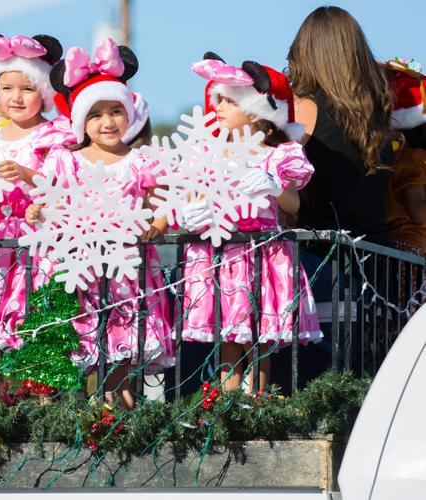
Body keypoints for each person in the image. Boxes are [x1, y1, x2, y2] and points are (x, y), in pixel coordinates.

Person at [25, 37, 172, 408]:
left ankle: (117, 416)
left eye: (115, 112)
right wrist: (37, 213)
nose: (107, 122)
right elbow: (46, 203)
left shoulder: (142, 160)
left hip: (125, 272)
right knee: (73, 345)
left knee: (118, 361)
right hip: (74, 268)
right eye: (95, 114)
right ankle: (65, 424)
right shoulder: (64, 159)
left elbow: (165, 205)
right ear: (80, 121)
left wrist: (157, 224)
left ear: (129, 114)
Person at [176, 54, 321, 393]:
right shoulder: (207, 154)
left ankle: (257, 402)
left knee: (255, 336)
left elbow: (293, 204)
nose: (219, 106)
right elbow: (189, 200)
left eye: (229, 100)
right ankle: (227, 409)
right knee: (227, 335)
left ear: (257, 110)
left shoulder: (277, 155)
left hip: (262, 254)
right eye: (218, 100)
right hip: (219, 256)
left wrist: (274, 184)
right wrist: (189, 217)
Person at [0, 32, 74, 393]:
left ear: (43, 91)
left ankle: (29, 403)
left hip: (36, 246)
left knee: (27, 321)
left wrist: (27, 175)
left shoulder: (56, 135)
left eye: (26, 88)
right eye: (7, 88)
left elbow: (64, 187)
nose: (16, 97)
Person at [287, 6, 399, 244]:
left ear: (305, 51)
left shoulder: (304, 107)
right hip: (376, 262)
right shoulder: (379, 111)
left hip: (322, 259)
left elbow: (276, 174)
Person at [383, 58, 426, 256]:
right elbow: (418, 212)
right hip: (412, 249)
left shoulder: (394, 155)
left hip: (400, 248)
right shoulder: (413, 158)